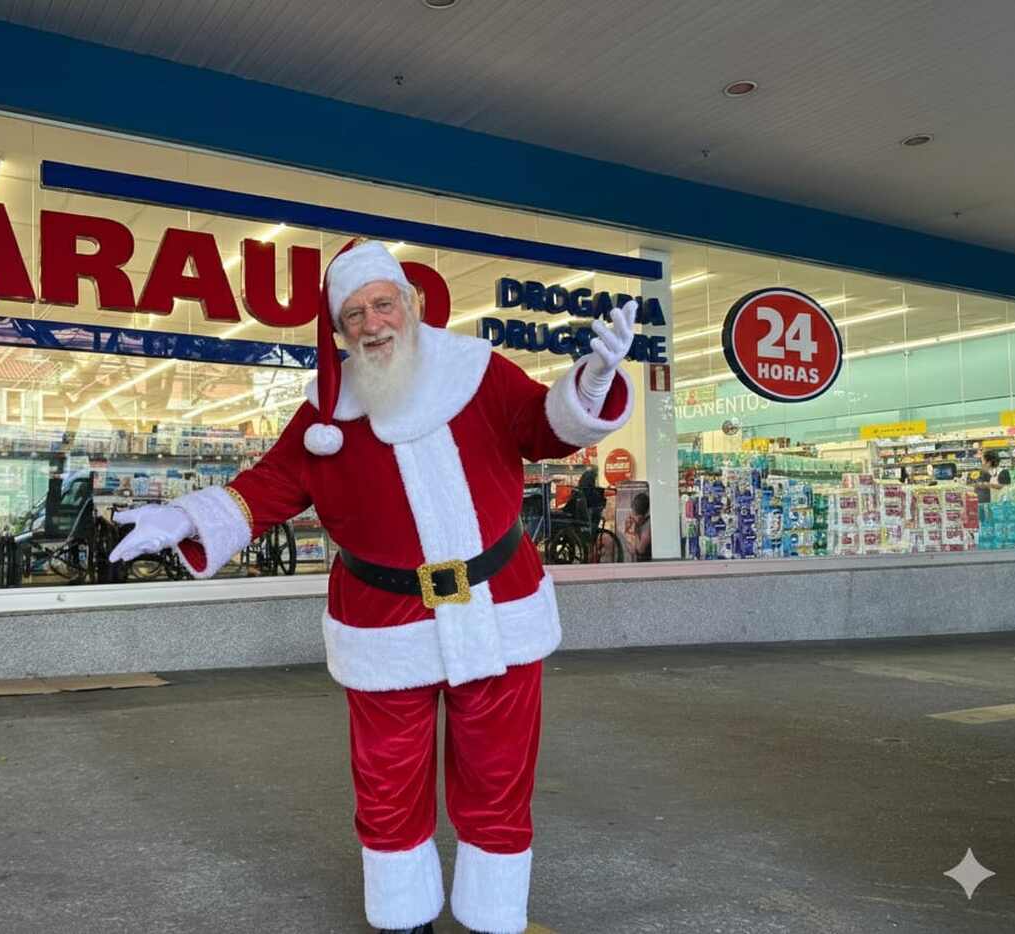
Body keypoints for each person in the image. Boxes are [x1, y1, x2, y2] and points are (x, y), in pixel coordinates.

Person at [109, 240, 636, 934]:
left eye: (382, 304)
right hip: (385, 622)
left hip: (497, 608)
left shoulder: (478, 370)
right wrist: (183, 517)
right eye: (353, 314)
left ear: (409, 303)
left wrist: (591, 384)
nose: (372, 323)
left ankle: (493, 917)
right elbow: (268, 486)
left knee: (499, 776)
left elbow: (544, 428)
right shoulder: (324, 412)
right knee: (388, 783)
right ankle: (402, 917)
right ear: (339, 330)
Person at [623, 491, 652, 561]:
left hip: (647, 563)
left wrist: (635, 531)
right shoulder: (643, 524)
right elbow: (633, 549)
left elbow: (640, 550)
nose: (632, 517)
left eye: (634, 514)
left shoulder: (647, 526)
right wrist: (627, 530)